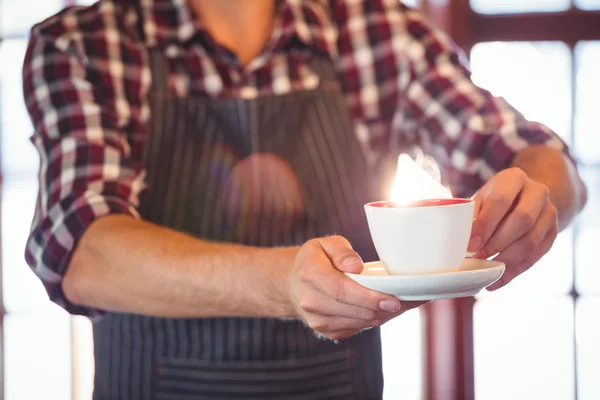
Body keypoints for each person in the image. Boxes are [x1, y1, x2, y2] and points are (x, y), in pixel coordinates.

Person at [22, 0, 587, 398]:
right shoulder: (87, 43)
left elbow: (539, 157)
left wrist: (538, 200)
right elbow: (83, 248)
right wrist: (285, 283)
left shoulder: (375, 29)